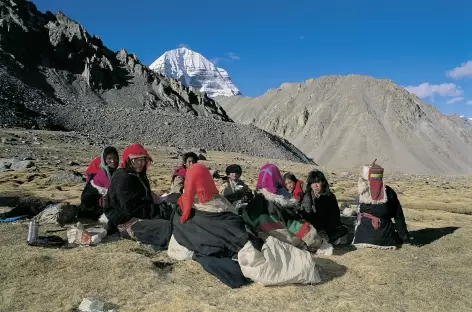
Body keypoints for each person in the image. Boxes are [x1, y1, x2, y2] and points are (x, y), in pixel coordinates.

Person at [172, 163, 251, 288]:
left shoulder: (182, 204)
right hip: (223, 244)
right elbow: (235, 224)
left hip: (195, 242)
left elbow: (178, 225)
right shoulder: (219, 202)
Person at [104, 144, 175, 249]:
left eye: (143, 160)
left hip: (140, 214)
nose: (140, 164)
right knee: (167, 228)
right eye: (135, 160)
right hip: (126, 221)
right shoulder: (123, 178)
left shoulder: (138, 175)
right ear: (127, 160)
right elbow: (133, 208)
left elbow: (145, 200)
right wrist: (160, 210)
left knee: (174, 216)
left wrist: (163, 206)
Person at [241, 163, 322, 252]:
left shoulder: (257, 196)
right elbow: (289, 217)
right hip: (283, 230)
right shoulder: (282, 193)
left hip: (261, 231)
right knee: (308, 234)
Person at [352, 160, 414, 249]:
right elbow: (398, 217)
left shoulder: (361, 192)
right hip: (386, 241)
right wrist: (405, 239)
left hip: (361, 239)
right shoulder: (389, 192)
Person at [301, 170, 348, 244]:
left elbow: (335, 216)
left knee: (344, 229)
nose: (315, 186)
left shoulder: (330, 196)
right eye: (313, 183)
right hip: (313, 228)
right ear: (310, 185)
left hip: (328, 227)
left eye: (318, 182)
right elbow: (307, 216)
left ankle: (327, 238)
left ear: (323, 182)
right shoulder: (307, 197)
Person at [78, 146, 119, 220]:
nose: (113, 161)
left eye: (115, 158)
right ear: (104, 160)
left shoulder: (111, 172)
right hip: (91, 211)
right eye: (109, 158)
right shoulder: (104, 175)